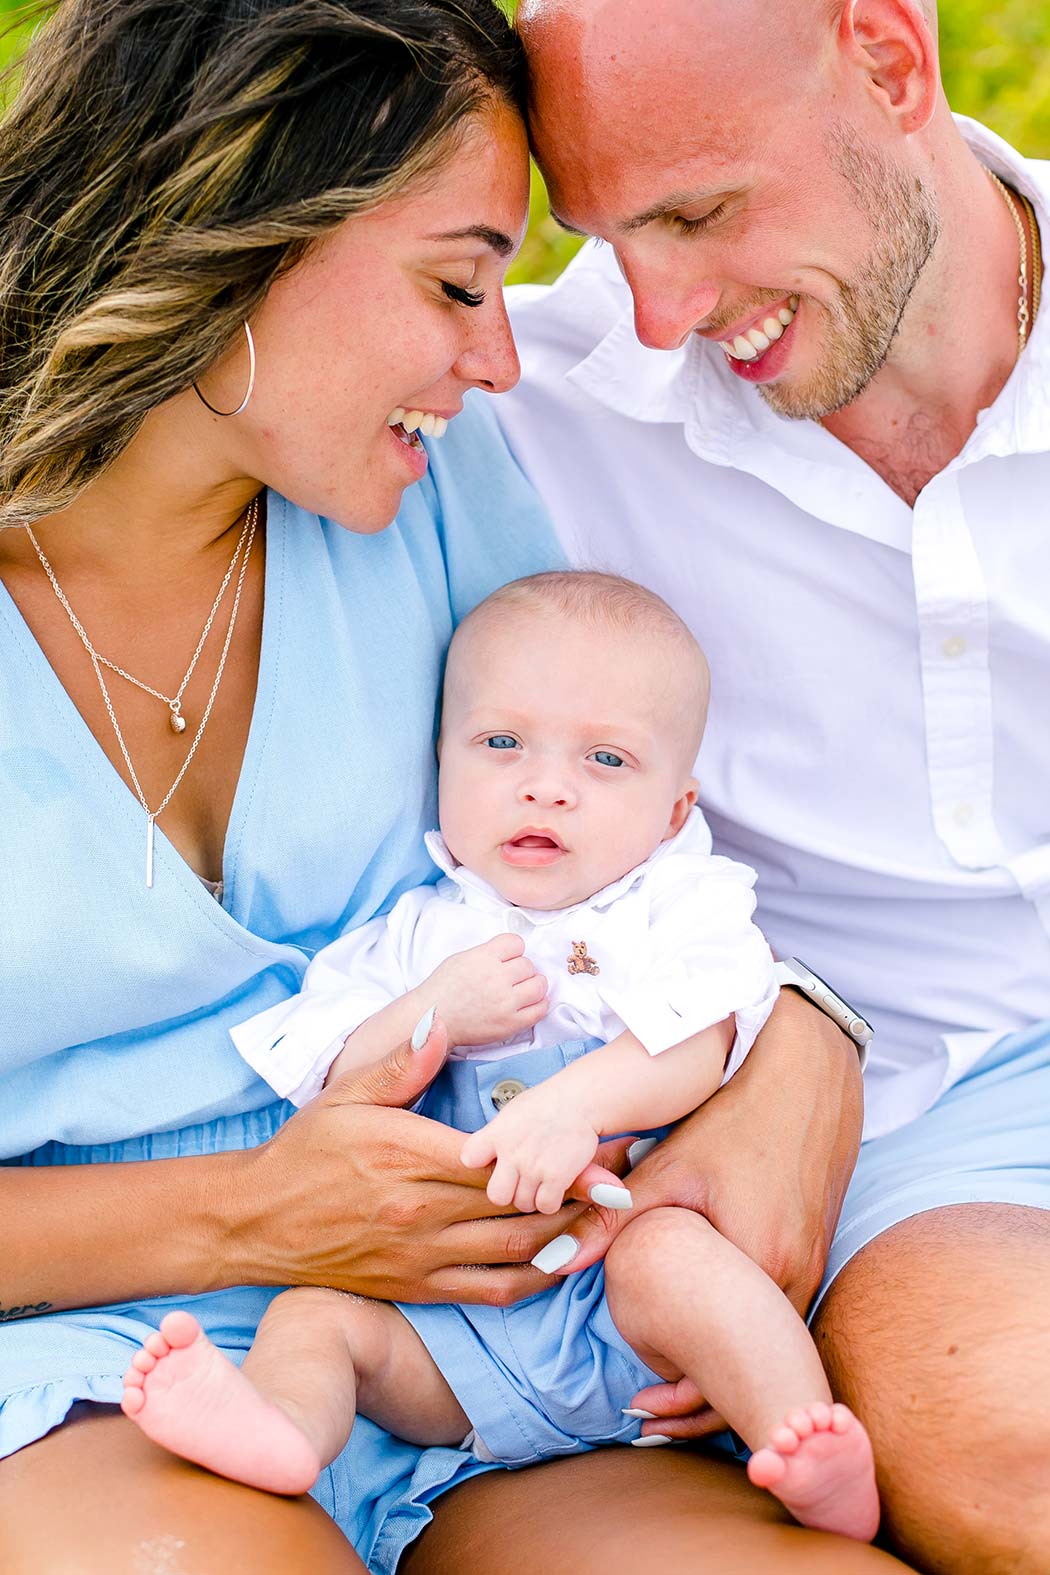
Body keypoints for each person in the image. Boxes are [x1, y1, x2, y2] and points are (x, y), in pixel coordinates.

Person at [0, 4, 903, 1574]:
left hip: (496, 1330)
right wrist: (252, 1216)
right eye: (454, 280)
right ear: (233, 234)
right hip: (92, 1350)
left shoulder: (432, 494)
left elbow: (640, 835)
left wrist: (803, 1035)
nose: (498, 356)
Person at [487, 1, 1050, 1571]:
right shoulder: (530, 409)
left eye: (699, 211)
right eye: (608, 238)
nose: (660, 312)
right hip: (931, 1118)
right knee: (999, 1433)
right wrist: (793, 1015)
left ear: (887, 59)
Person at [118, 569, 881, 1542]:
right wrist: (430, 1009)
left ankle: (802, 1439)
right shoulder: (417, 932)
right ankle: (281, 1432)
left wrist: (578, 1104)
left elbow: (710, 1029)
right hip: (453, 1334)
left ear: (677, 808)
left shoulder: (681, 905)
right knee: (313, 1320)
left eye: (606, 760)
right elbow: (321, 1065)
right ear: (440, 760)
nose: (545, 784)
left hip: (629, 1312)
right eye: (501, 743)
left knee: (678, 1258)